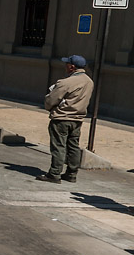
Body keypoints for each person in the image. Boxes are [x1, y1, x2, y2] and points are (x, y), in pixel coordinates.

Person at [37, 55, 95, 184]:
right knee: (73, 146)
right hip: (78, 119)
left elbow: (51, 100)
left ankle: (54, 173)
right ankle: (71, 173)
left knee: (59, 146)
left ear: (72, 67)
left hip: (62, 118)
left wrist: (49, 106)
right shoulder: (89, 81)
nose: (65, 66)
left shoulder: (66, 82)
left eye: (67, 64)